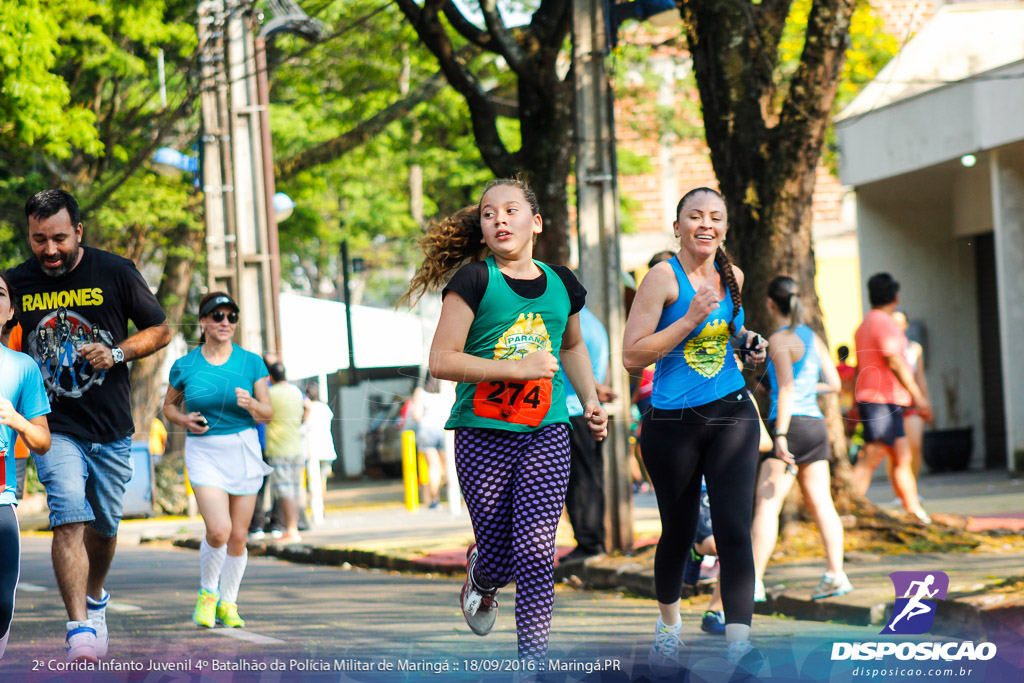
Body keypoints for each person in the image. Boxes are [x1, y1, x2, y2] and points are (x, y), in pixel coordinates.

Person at [401, 177, 608, 664]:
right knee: (499, 550)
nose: (499, 220)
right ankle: (482, 573)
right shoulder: (475, 281)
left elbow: (573, 347)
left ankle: (532, 665)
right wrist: (514, 369)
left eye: (511, 210)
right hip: (482, 431)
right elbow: (442, 360)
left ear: (535, 223)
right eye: (489, 213)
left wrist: (590, 399)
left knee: (537, 552)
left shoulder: (562, 282)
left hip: (547, 429)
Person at [8, 189, 171, 661]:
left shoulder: (115, 271)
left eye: (59, 238)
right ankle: (79, 626)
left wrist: (117, 352)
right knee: (68, 516)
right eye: (39, 240)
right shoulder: (17, 281)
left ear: (78, 231)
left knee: (104, 525)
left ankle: (96, 596)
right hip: (53, 425)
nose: (50, 250)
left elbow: (160, 328)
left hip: (112, 427)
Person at [622, 187, 767, 675]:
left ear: (725, 227)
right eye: (695, 217)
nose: (706, 224)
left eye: (715, 218)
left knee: (732, 529)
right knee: (680, 531)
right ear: (678, 226)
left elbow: (728, 333)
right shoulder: (662, 279)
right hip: (672, 422)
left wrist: (749, 344)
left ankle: (739, 643)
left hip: (731, 411)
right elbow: (632, 355)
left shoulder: (734, 276)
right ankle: (668, 630)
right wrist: (689, 317)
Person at [163, 292, 273, 629]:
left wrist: (252, 405)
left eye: (231, 317)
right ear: (203, 321)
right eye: (217, 315)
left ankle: (229, 602)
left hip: (243, 448)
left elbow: (268, 412)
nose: (225, 322)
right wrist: (183, 421)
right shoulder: (185, 365)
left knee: (239, 535)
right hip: (204, 450)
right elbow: (168, 407)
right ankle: (207, 595)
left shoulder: (251, 361)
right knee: (219, 529)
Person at [750, 276, 851, 606]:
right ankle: (836, 574)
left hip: (790, 427)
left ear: (770, 304)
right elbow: (833, 383)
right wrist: (803, 391)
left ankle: (753, 583)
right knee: (822, 503)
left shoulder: (780, 340)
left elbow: (788, 389)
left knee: (767, 506)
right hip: (815, 426)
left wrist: (778, 434)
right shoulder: (812, 337)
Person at [850, 273, 932, 523]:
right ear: (895, 297)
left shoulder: (864, 325)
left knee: (902, 458)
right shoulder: (884, 323)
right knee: (872, 456)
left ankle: (914, 510)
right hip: (880, 401)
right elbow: (895, 361)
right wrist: (919, 397)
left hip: (883, 400)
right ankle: (847, 508)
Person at [0, 271, 52, 662]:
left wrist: (16, 420)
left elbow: (42, 440)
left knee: (1, 603)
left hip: (1, 498)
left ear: (11, 310)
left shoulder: (22, 367)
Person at [560, 305, 615, 565]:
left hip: (573, 409)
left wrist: (594, 387)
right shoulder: (595, 323)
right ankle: (591, 540)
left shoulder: (572, 324)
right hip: (589, 409)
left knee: (581, 481)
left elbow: (574, 364)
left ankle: (589, 543)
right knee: (589, 478)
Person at [265, 362, 309, 543]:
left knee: (284, 492)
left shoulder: (270, 393)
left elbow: (260, 415)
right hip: (296, 446)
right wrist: (300, 422)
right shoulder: (296, 391)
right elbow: (309, 407)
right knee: (294, 489)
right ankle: (292, 528)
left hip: (279, 449)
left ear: (271, 377)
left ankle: (291, 529)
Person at [887, 311, 931, 486]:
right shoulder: (885, 347)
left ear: (906, 325)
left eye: (900, 323)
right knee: (894, 451)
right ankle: (898, 491)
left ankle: (913, 487)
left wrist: (925, 401)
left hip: (912, 403)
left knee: (915, 447)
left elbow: (920, 377)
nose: (896, 326)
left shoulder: (915, 348)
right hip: (892, 403)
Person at [410, 377, 455, 509]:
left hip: (426, 431)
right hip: (444, 429)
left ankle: (435, 500)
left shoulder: (420, 392)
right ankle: (456, 498)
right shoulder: (448, 389)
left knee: (433, 467)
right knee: (449, 467)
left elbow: (416, 415)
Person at [301, 383, 337, 517]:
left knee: (311, 481)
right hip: (327, 449)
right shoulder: (325, 408)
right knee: (322, 481)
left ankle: (315, 507)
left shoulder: (308, 409)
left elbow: (304, 427)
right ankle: (320, 505)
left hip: (311, 450)